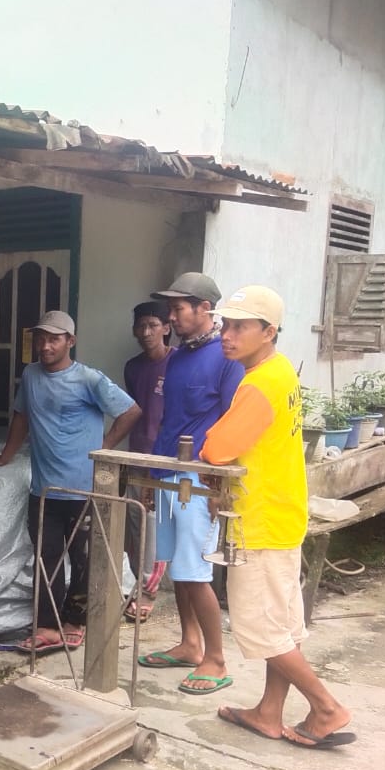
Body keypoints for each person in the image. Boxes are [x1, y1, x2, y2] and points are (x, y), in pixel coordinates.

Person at [200, 286, 355, 748]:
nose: (227, 335)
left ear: (268, 332)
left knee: (261, 630)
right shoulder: (282, 370)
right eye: (225, 325)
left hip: (260, 520)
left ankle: (326, 709)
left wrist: (209, 447)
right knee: (283, 626)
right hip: (283, 513)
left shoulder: (259, 384)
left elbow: (217, 448)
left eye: (240, 327)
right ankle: (269, 712)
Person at [0, 311, 140, 652]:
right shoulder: (31, 375)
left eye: (54, 339)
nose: (45, 346)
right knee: (46, 558)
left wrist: (104, 447)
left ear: (71, 341)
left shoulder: (88, 379)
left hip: (83, 489)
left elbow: (130, 411)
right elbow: (22, 416)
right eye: (41, 338)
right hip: (44, 489)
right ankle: (48, 626)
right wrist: (6, 456)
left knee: (84, 559)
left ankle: (74, 621)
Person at [138, 273, 245, 694]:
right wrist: (153, 475)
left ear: (205, 309)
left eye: (179, 308)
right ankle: (189, 644)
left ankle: (215, 658)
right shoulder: (179, 357)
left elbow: (233, 423)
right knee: (178, 568)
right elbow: (168, 420)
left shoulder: (227, 358)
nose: (172, 317)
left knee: (197, 572)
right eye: (171, 309)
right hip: (168, 471)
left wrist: (219, 484)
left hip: (199, 479)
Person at [122, 301, 174, 621]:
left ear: (167, 328)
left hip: (165, 458)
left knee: (155, 524)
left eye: (153, 325)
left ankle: (148, 591)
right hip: (135, 453)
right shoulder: (132, 367)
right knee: (134, 519)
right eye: (140, 326)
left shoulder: (177, 363)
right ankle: (135, 582)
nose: (146, 332)